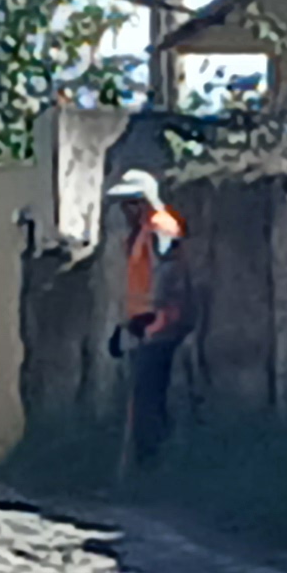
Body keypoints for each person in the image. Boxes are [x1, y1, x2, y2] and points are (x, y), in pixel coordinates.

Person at [104, 171, 189, 464]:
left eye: (131, 202)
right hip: (143, 324)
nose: (125, 210)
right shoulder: (141, 231)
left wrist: (158, 323)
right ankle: (142, 463)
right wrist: (125, 326)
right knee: (140, 400)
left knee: (150, 400)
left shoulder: (162, 228)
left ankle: (151, 462)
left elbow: (170, 279)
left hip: (161, 327)